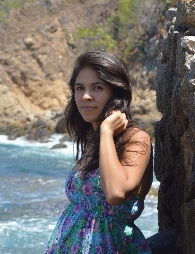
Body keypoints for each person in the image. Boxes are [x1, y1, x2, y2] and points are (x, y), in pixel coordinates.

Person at [45, 51, 153, 253]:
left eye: (97, 87)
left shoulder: (136, 139)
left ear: (116, 92)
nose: (86, 96)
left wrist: (106, 131)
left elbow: (115, 193)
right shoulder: (93, 142)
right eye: (80, 88)